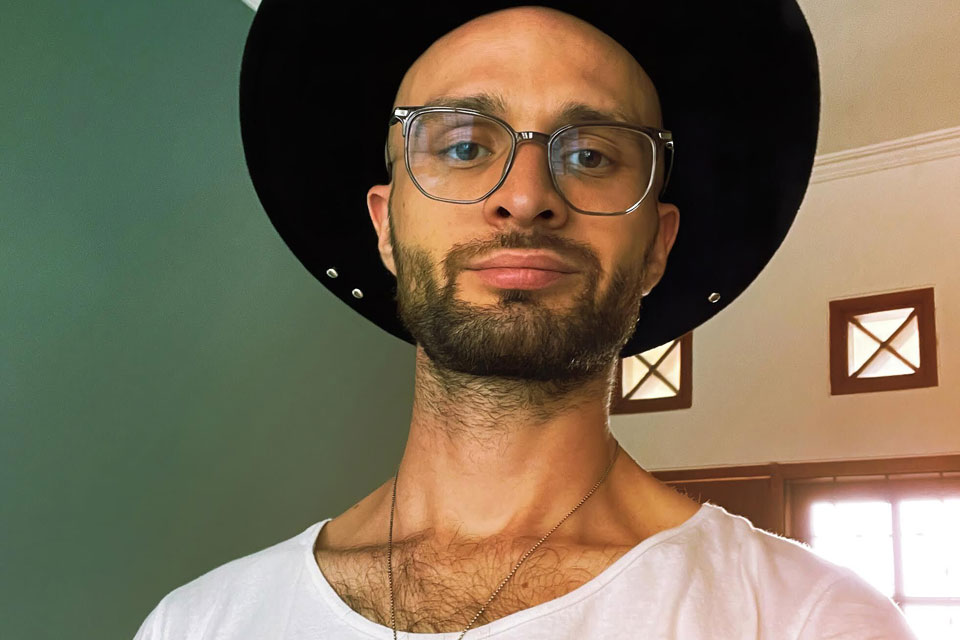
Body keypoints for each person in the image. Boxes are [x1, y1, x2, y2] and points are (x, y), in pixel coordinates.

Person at [135, 2, 917, 638]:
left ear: (656, 245)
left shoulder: (809, 621)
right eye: (464, 146)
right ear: (385, 228)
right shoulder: (199, 624)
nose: (526, 195)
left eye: (591, 155)